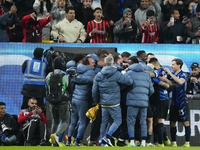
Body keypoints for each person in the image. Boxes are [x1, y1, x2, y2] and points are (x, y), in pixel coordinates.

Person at [92, 55, 133, 147]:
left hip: (104, 103)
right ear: (113, 62)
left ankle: (101, 141)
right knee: (118, 120)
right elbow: (129, 82)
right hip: (114, 102)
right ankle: (107, 137)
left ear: (105, 62)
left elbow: (94, 90)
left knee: (104, 122)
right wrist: (124, 73)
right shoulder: (117, 74)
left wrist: (96, 101)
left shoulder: (99, 75)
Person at [66, 56, 96, 146]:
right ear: (87, 64)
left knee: (73, 122)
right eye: (92, 62)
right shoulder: (91, 72)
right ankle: (77, 141)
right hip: (83, 99)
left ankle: (68, 141)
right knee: (82, 121)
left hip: (74, 98)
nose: (94, 63)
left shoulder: (77, 70)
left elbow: (75, 79)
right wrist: (91, 79)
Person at [125, 56, 154, 147]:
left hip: (132, 101)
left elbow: (124, 84)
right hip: (144, 102)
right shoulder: (146, 74)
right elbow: (152, 90)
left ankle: (132, 142)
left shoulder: (128, 73)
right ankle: (144, 142)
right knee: (143, 121)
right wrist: (145, 96)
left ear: (130, 64)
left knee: (130, 121)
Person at [46, 57, 72, 147]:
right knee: (65, 120)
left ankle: (52, 142)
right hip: (63, 101)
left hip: (52, 101)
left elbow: (47, 87)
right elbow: (69, 88)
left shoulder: (49, 75)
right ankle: (56, 135)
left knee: (55, 120)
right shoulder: (65, 75)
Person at [163, 58, 190, 147]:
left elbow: (180, 82)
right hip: (174, 102)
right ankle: (174, 142)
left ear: (179, 65)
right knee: (172, 122)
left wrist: (169, 73)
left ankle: (187, 142)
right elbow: (168, 82)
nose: (171, 66)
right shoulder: (171, 75)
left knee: (185, 122)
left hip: (182, 102)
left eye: (173, 64)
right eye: (171, 64)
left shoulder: (184, 74)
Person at [148, 58, 172, 147]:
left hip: (160, 99)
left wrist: (141, 70)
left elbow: (152, 75)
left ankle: (161, 143)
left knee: (158, 121)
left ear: (154, 66)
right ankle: (161, 140)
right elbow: (170, 87)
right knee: (156, 121)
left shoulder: (157, 72)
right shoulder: (164, 72)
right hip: (164, 99)